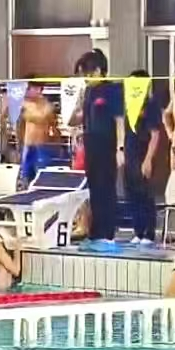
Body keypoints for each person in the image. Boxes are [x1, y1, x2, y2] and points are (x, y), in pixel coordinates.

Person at [70, 49, 124, 253]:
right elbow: (76, 119)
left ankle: (107, 235)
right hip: (90, 146)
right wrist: (76, 104)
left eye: (87, 73)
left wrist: (120, 148)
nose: (84, 77)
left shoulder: (113, 90)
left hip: (107, 146)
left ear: (99, 71)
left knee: (106, 190)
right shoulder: (88, 92)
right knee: (93, 190)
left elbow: (119, 121)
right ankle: (95, 233)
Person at [122, 69, 163, 247]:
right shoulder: (129, 105)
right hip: (129, 154)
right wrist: (121, 150)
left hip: (143, 153)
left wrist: (148, 159)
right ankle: (138, 231)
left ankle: (149, 233)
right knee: (132, 194)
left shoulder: (150, 105)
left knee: (145, 194)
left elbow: (155, 134)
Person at [18, 77, 61, 186]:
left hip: (41, 145)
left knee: (41, 176)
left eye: (29, 88)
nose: (27, 91)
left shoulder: (46, 105)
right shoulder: (24, 104)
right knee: (26, 176)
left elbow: (43, 118)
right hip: (27, 144)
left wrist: (28, 112)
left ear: (38, 89)